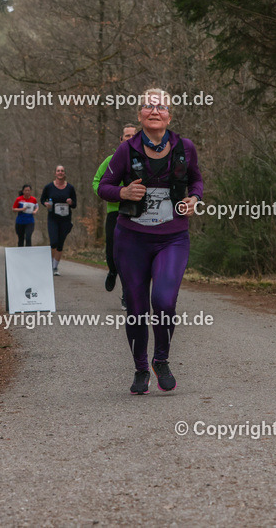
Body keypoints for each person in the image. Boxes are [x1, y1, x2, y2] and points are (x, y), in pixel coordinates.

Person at [97, 88, 202, 394]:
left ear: (169, 114)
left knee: (165, 301)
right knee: (137, 308)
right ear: (140, 114)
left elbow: (197, 179)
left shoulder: (186, 147)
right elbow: (103, 186)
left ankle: (161, 359)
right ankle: (141, 368)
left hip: (173, 238)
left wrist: (194, 198)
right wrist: (123, 193)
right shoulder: (126, 151)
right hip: (132, 239)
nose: (155, 111)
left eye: (161, 107)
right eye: (148, 106)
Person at [93, 124, 138, 307]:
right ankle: (112, 270)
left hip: (138, 213)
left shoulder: (147, 160)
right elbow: (97, 182)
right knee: (113, 252)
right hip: (115, 211)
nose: (130, 138)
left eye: (134, 135)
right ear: (121, 140)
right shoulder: (111, 160)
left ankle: (128, 295)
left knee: (133, 256)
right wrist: (114, 193)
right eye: (127, 135)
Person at [41, 166, 77, 276]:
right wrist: (45, 204)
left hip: (65, 220)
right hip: (53, 218)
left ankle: (55, 268)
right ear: (55, 173)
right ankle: (50, 265)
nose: (60, 172)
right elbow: (42, 199)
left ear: (64, 173)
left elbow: (75, 204)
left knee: (60, 244)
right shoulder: (49, 187)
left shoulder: (70, 188)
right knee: (54, 242)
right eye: (58, 171)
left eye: (62, 171)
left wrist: (71, 202)